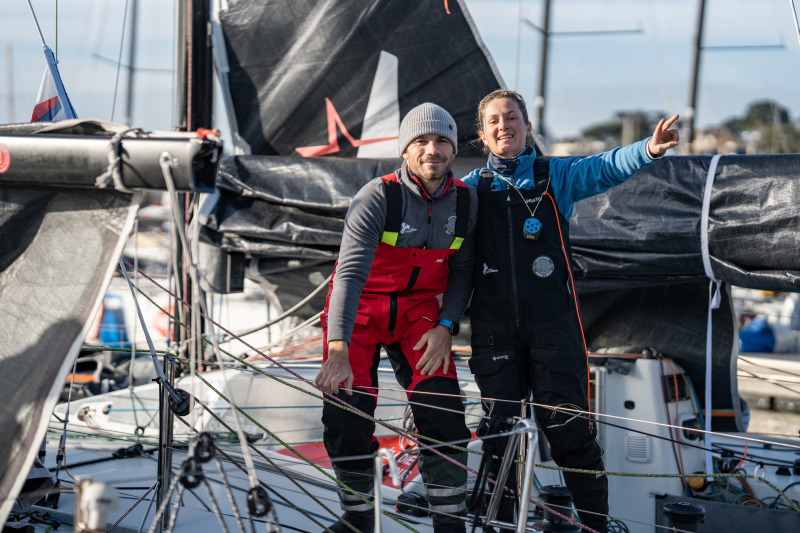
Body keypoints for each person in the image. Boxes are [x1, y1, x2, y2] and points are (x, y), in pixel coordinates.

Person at [461, 89, 679, 533]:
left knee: (569, 432)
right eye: (494, 121)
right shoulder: (469, 191)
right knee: (500, 435)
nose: (504, 126)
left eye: (512, 117)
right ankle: (500, 527)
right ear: (482, 134)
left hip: (553, 329)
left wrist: (649, 149)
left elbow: (602, 169)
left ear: (526, 126)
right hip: (494, 332)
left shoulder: (553, 176)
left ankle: (594, 525)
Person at [315, 103, 479, 533]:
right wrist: (337, 348)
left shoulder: (466, 201)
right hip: (361, 312)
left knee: (443, 413)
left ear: (453, 149)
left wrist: (446, 327)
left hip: (419, 314)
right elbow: (348, 274)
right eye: (421, 142)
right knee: (346, 417)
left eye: (442, 141)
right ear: (405, 151)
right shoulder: (377, 196)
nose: (432, 150)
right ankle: (358, 518)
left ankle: (449, 522)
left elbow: (462, 272)